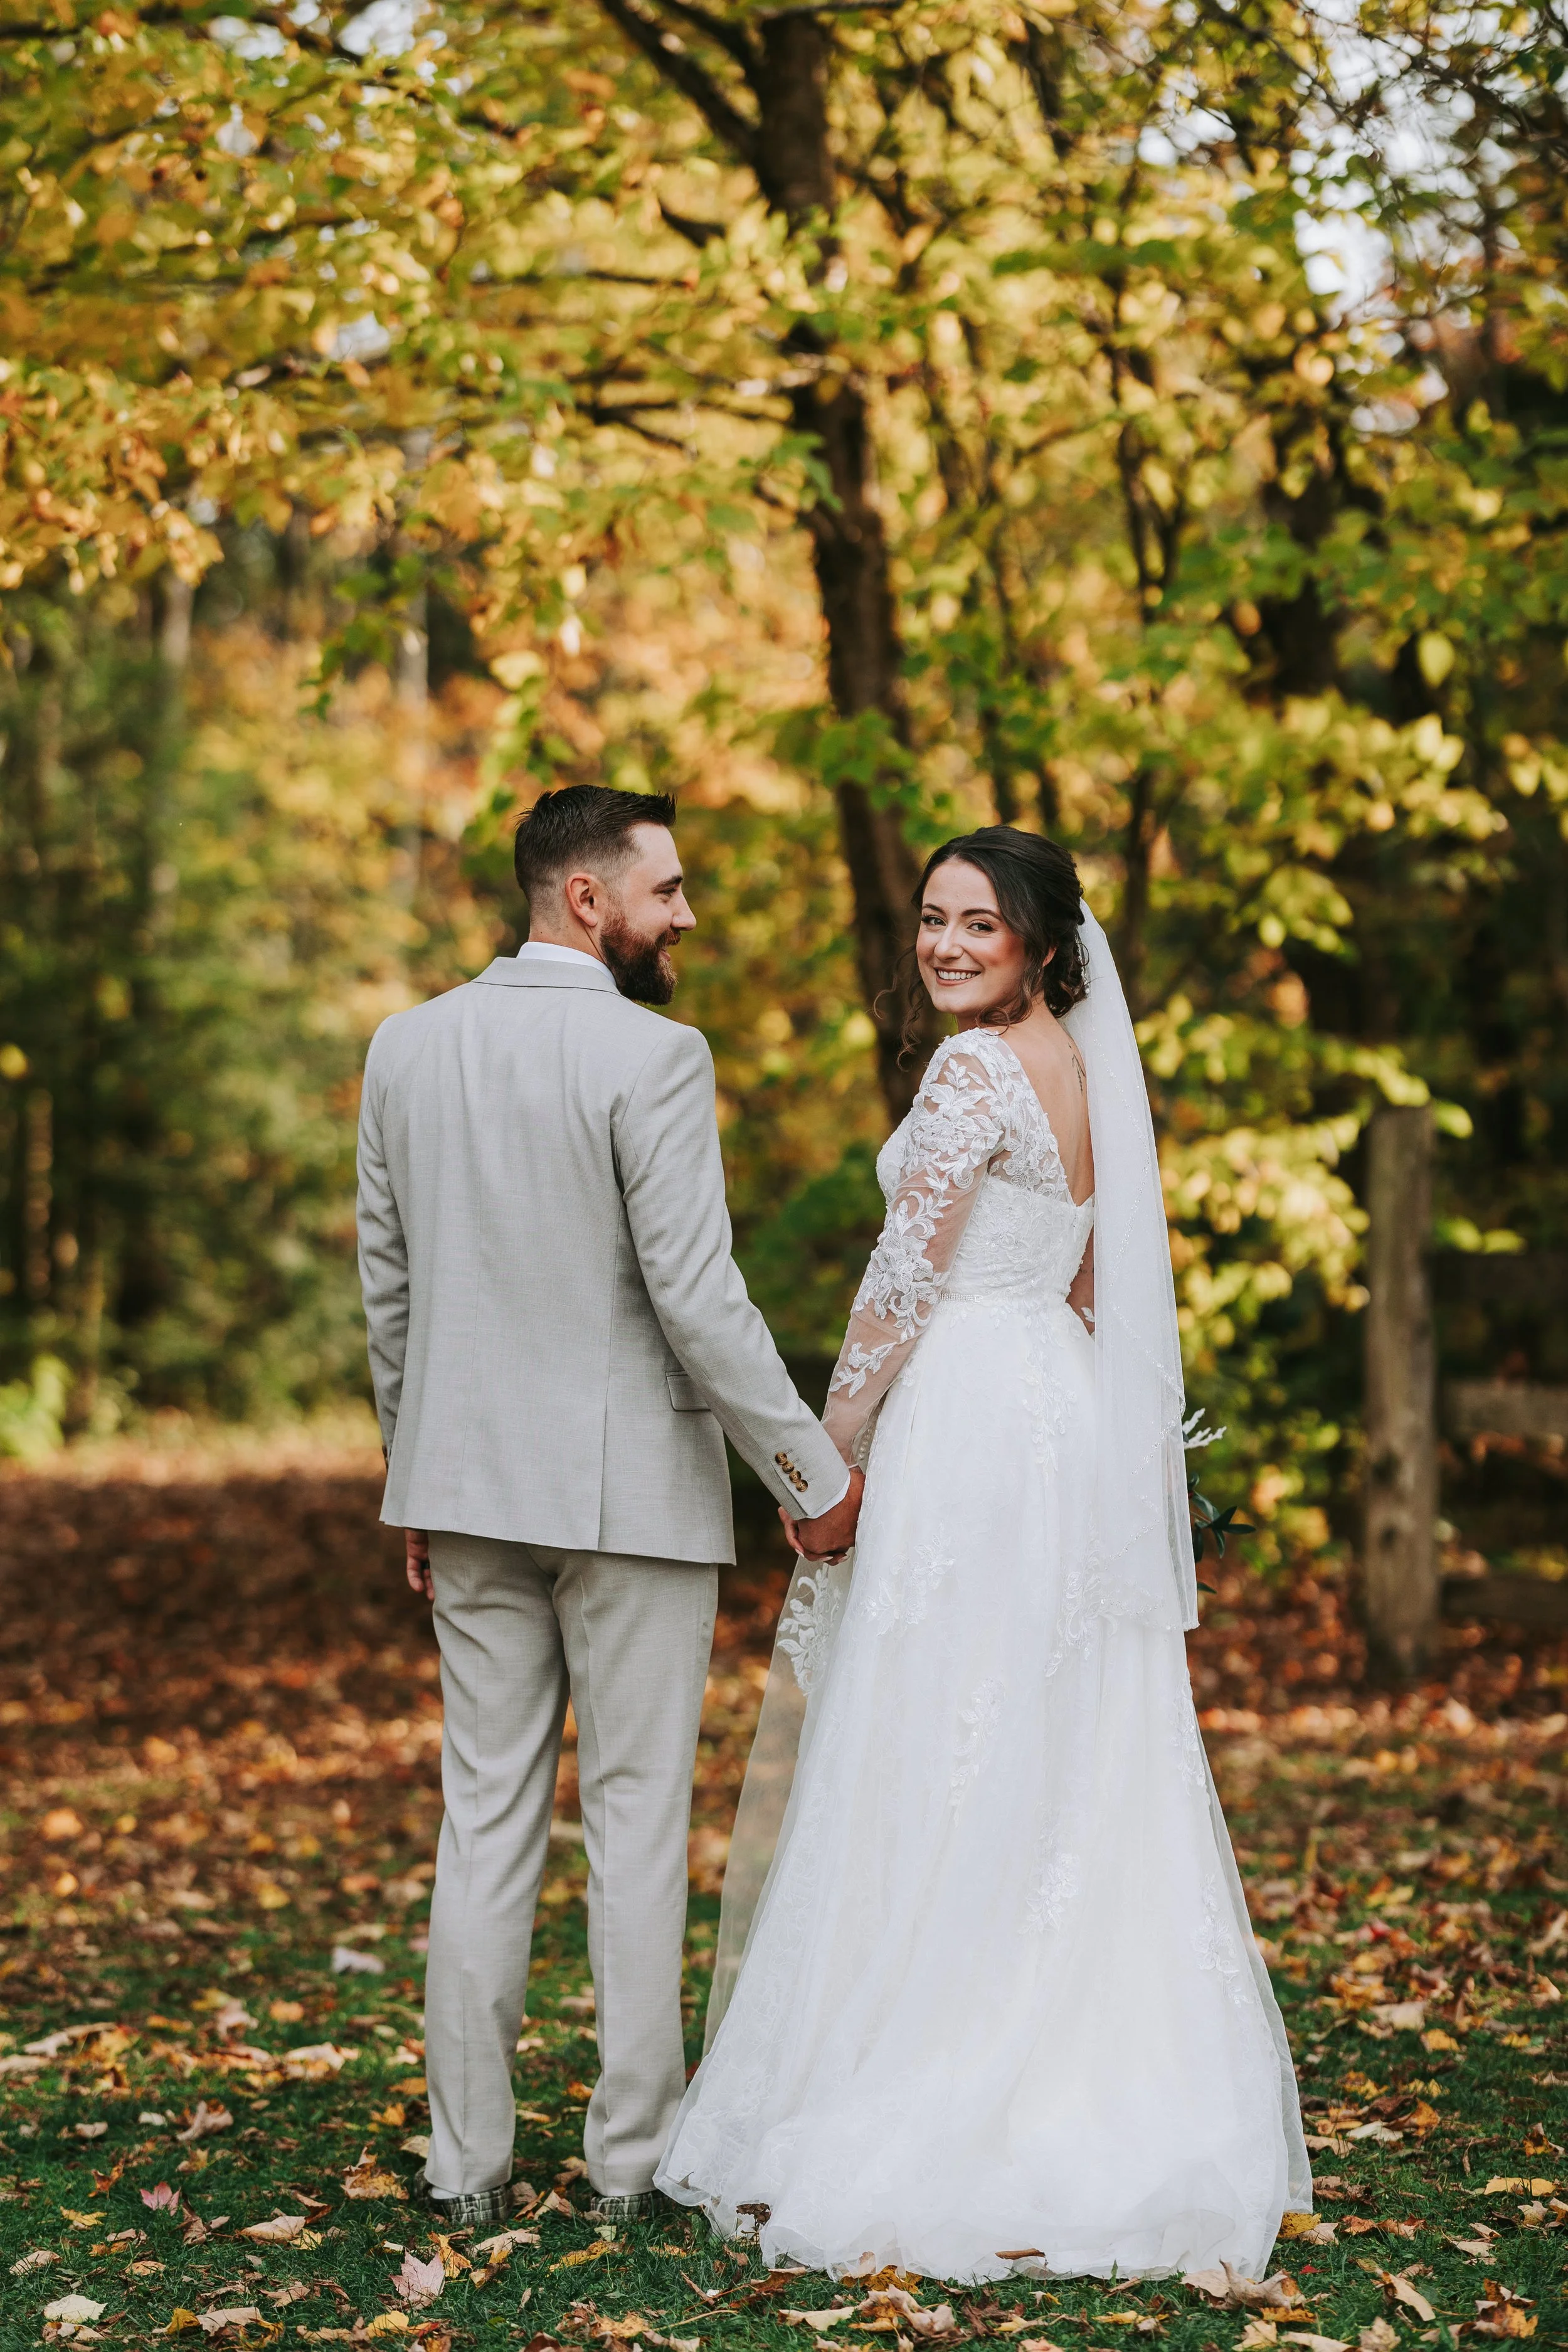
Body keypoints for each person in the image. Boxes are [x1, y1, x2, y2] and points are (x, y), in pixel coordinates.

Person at [657, 825, 1310, 2281]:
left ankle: (930, 2062)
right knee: (1052, 1730)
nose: (944, 944)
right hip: (1058, 1423)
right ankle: (1074, 2057)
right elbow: (1089, 1272)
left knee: (936, 1723)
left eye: (977, 925)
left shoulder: (967, 1074)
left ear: (1039, 945)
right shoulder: (1084, 1072)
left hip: (965, 1417)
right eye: (932, 919)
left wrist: (820, 1454)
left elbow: (901, 1282)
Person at [356, 784, 862, 2228]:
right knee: (634, 1822)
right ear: (588, 899)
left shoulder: (405, 1047)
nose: (683, 916)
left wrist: (412, 1465)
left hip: (461, 1487)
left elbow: (388, 1291)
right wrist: (810, 1478)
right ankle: (628, 2164)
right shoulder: (655, 1056)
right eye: (667, 890)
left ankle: (464, 2170)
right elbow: (695, 1300)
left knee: (483, 1817)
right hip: (627, 1496)